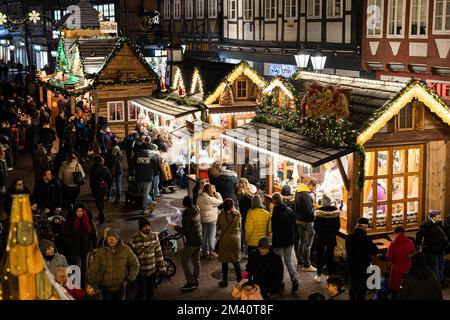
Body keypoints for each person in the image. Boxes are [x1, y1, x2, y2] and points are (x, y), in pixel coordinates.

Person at [87, 228, 139, 300]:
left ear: (118, 239)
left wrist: (129, 279)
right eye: (109, 238)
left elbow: (135, 264)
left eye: (114, 237)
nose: (111, 240)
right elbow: (93, 269)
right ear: (106, 239)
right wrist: (91, 284)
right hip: (106, 288)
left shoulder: (126, 250)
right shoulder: (101, 252)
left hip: (121, 287)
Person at [128, 218, 167, 300]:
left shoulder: (154, 237)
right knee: (142, 291)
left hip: (152, 271)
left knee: (151, 291)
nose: (147, 228)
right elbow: (130, 258)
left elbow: (158, 253)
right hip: (140, 272)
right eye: (145, 227)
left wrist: (162, 268)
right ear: (140, 228)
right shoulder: (133, 239)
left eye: (148, 226)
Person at [345, 217, 380, 300]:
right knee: (362, 288)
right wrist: (373, 245)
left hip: (352, 266)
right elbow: (375, 251)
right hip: (363, 267)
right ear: (364, 226)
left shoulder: (349, 237)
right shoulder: (366, 238)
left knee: (353, 286)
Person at [271, 192, 299, 293]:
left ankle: (281, 281)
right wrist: (293, 237)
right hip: (289, 241)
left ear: (274, 201)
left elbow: (274, 231)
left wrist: (274, 243)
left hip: (279, 242)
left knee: (279, 262)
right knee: (289, 261)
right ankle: (294, 279)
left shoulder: (275, 215)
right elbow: (295, 226)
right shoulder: (290, 211)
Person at [173, 196, 202, 291]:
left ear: (184, 204)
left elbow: (185, 230)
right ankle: (196, 279)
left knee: (184, 260)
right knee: (196, 261)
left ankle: (190, 281)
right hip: (199, 239)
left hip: (191, 242)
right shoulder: (196, 208)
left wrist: (174, 226)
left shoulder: (187, 215)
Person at [64, 203, 97, 287]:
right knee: (77, 268)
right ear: (75, 212)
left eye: (81, 211)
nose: (80, 213)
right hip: (75, 250)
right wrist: (71, 244)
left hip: (86, 249)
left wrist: (95, 246)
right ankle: (77, 286)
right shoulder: (71, 220)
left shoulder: (88, 219)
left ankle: (83, 284)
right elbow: (65, 234)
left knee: (85, 268)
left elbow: (93, 233)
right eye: (78, 211)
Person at [416, 210, 449, 287]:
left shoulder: (438, 223)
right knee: (435, 267)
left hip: (441, 249)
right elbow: (419, 235)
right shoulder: (426, 224)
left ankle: (440, 280)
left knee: (441, 266)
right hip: (432, 250)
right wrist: (419, 248)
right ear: (433, 217)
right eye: (438, 217)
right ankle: (436, 283)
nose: (440, 218)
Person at [313, 194, 341, 283]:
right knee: (330, 257)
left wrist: (321, 232)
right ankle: (330, 275)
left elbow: (316, 227)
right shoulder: (335, 214)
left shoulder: (319, 213)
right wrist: (332, 233)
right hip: (331, 238)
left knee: (320, 256)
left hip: (321, 238)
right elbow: (338, 227)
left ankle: (319, 275)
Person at [217, 198, 242, 287]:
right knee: (236, 261)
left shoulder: (221, 215)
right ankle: (240, 280)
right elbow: (239, 226)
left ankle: (225, 281)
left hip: (225, 240)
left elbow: (219, 227)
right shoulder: (237, 214)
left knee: (225, 261)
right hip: (235, 240)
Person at [384, 226, 416, 298]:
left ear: (395, 233)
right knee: (406, 288)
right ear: (404, 233)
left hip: (396, 269)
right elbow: (413, 253)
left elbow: (389, 257)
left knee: (395, 289)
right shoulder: (410, 242)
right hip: (408, 268)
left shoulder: (393, 244)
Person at [294, 178, 318, 272]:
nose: (314, 190)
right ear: (312, 185)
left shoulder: (298, 191)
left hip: (299, 220)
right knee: (307, 244)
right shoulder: (306, 195)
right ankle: (307, 265)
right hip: (307, 222)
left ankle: (299, 263)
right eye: (315, 188)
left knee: (301, 241)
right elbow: (309, 211)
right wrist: (315, 211)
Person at [197, 183, 223, 260]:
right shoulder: (208, 198)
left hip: (202, 219)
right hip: (211, 220)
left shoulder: (199, 197)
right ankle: (211, 252)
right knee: (211, 236)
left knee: (204, 236)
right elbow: (220, 201)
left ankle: (204, 253)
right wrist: (216, 193)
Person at [132, 143, 157, 215]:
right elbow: (155, 167)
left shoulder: (136, 156)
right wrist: (155, 173)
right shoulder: (152, 156)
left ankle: (145, 208)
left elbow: (131, 166)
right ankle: (151, 203)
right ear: (148, 148)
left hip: (138, 177)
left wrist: (131, 173)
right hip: (148, 177)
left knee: (143, 192)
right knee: (145, 193)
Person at [89, 156, 113, 224]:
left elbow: (91, 180)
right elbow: (110, 178)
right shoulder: (105, 169)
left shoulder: (93, 169)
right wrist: (108, 185)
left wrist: (91, 187)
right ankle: (101, 213)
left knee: (97, 201)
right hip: (104, 187)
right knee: (101, 201)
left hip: (96, 188)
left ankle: (101, 214)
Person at [237, 178, 254, 257]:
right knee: (245, 233)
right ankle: (245, 250)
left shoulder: (243, 196)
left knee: (244, 233)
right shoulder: (249, 196)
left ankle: (245, 249)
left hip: (245, 216)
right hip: (246, 216)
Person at [106, 139, 123, 205]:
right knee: (118, 184)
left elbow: (107, 161)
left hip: (110, 170)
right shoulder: (119, 151)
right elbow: (121, 161)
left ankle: (108, 196)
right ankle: (117, 199)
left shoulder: (109, 151)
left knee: (110, 183)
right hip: (118, 170)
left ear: (111, 144)